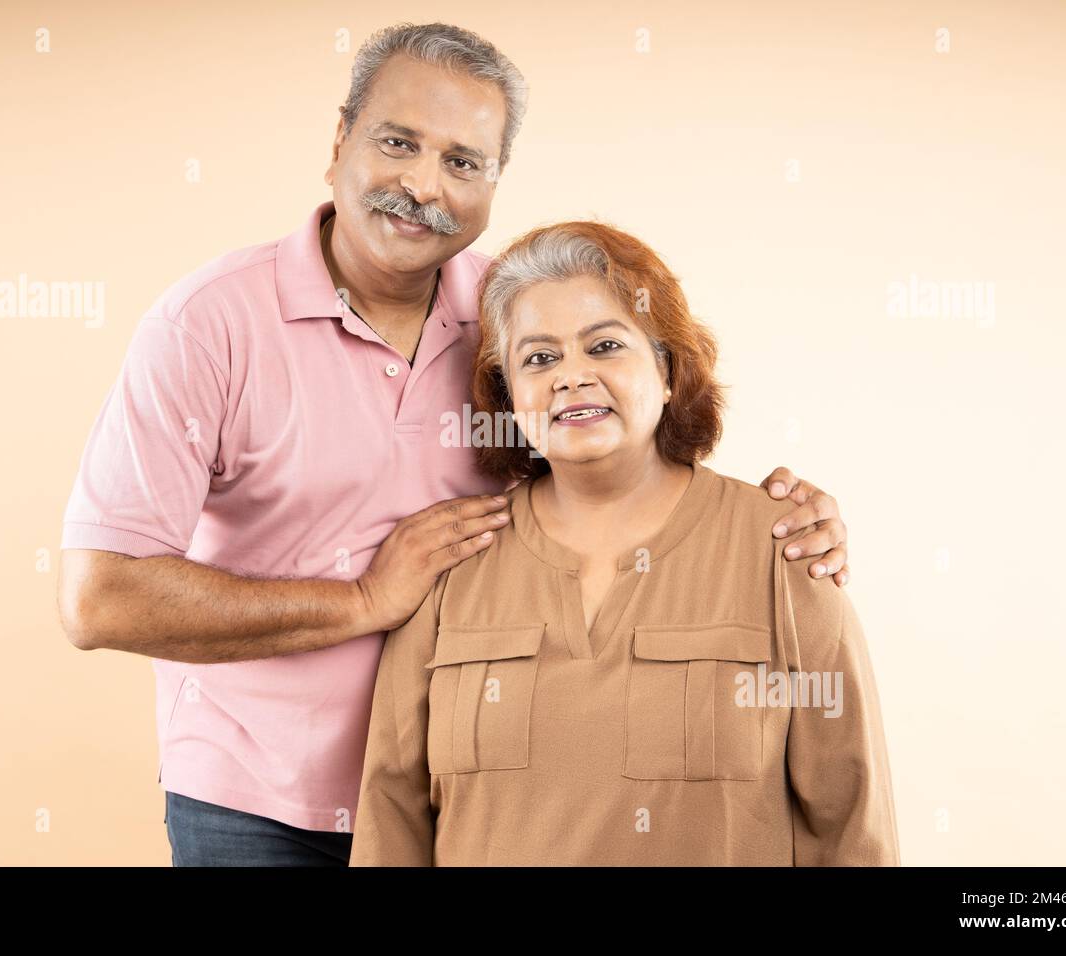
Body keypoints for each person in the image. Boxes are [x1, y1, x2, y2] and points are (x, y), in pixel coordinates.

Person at [57, 22, 853, 867]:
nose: (423, 185)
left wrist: (777, 524)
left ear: (495, 180)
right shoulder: (208, 324)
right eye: (398, 142)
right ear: (339, 142)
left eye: (463, 162)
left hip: (478, 795)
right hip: (258, 803)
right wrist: (362, 601)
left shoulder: (519, 314)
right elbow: (99, 599)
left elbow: (623, 448)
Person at [348, 220, 898, 865]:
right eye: (539, 358)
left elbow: (850, 822)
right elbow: (391, 814)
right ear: (509, 396)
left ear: (667, 370)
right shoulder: (451, 561)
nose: (571, 377)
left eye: (604, 346)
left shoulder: (783, 549)